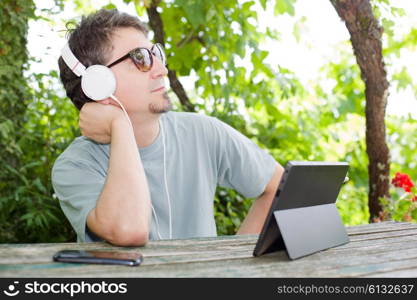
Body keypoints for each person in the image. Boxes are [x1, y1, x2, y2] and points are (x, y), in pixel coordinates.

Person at [52, 9, 283, 246]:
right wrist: (119, 125)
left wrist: (233, 261)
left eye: (157, 54)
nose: (162, 69)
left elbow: (278, 186)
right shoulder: (75, 165)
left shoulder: (202, 132)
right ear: (98, 84)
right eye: (140, 58)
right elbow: (129, 230)